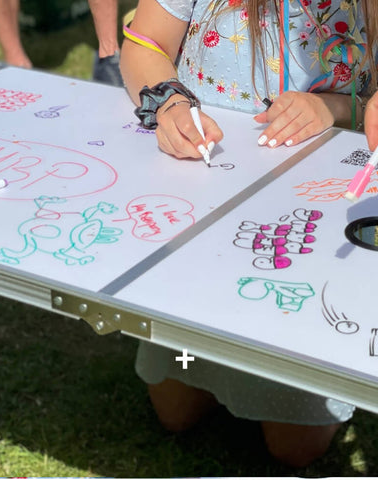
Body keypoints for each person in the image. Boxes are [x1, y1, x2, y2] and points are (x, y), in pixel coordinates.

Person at [120, 0, 378, 467]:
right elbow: (144, 43)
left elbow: (370, 94)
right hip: (205, 200)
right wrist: (170, 102)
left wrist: (335, 108)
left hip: (309, 222)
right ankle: (203, 363)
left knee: (294, 449)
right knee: (177, 411)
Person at [0, 0, 124, 86]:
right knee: (27, 79)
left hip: (83, 10)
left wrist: (109, 48)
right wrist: (14, 54)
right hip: (36, 21)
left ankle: (110, 72)